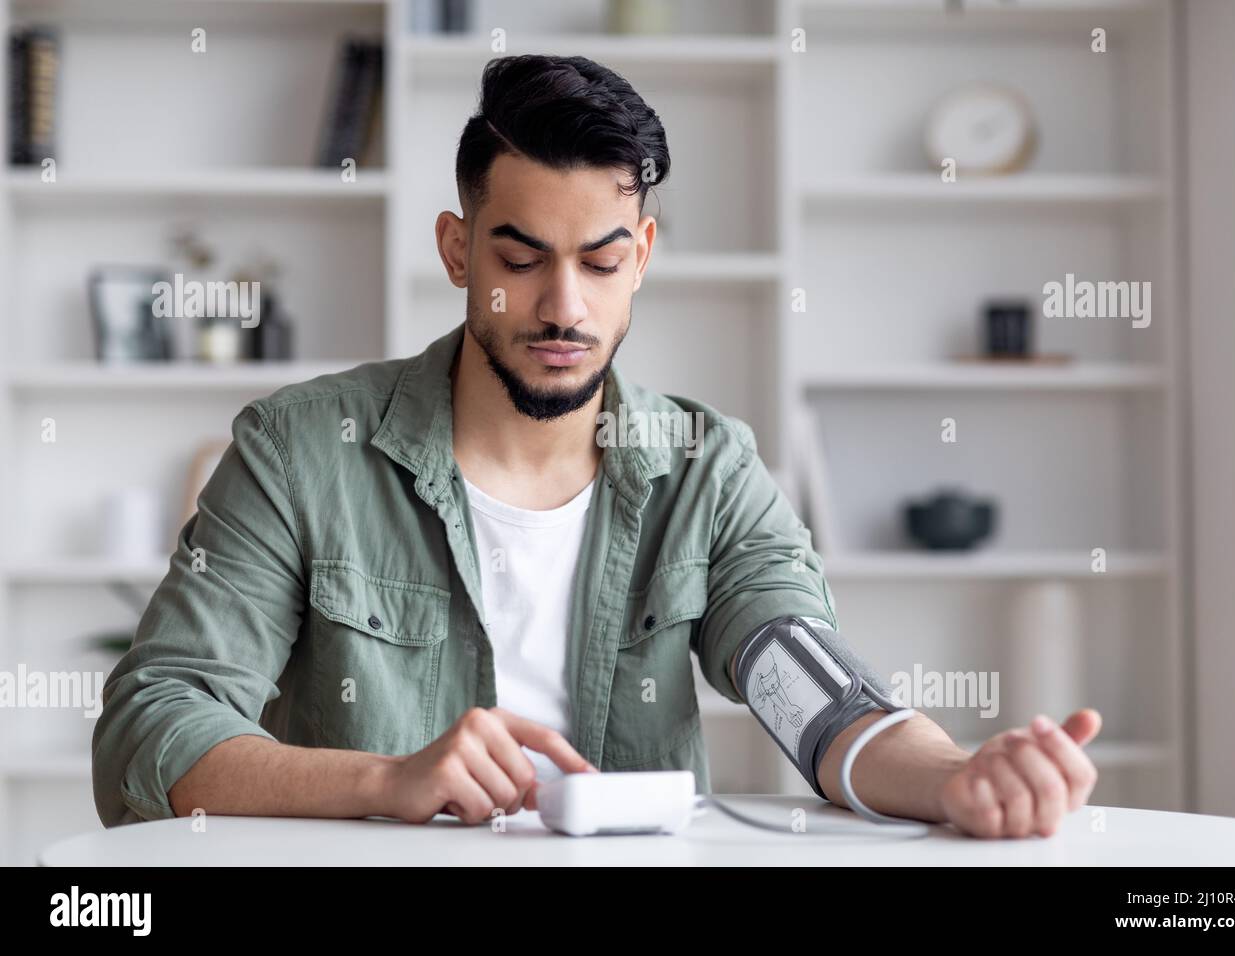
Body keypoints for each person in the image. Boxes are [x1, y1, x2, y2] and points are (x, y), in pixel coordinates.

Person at [92, 54, 1100, 840]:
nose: (563, 307)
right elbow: (153, 722)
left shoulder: (707, 468)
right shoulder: (301, 449)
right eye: (520, 258)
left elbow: (817, 698)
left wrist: (953, 777)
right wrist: (387, 780)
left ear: (642, 258)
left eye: (601, 262)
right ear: (457, 249)